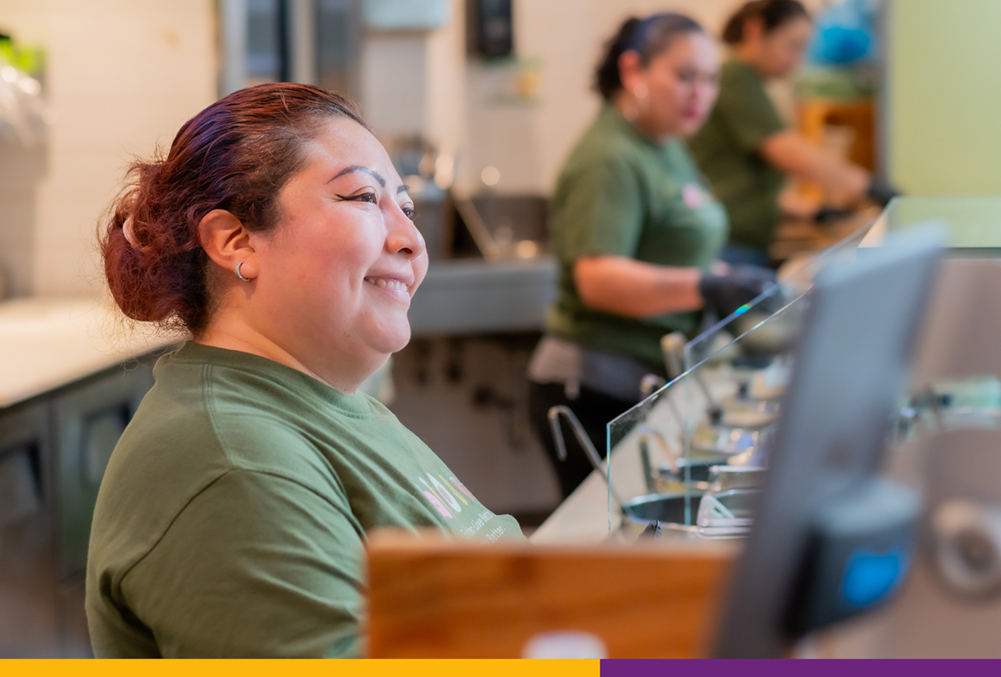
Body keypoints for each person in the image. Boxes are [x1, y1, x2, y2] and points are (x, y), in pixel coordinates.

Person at [87, 83, 523, 658]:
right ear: (235, 240)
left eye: (407, 207)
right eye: (365, 198)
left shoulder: (333, 405)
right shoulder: (232, 463)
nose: (412, 239)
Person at [528, 14, 776, 502]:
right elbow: (598, 278)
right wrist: (705, 287)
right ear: (632, 70)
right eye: (684, 77)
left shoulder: (665, 146)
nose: (699, 95)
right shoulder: (609, 158)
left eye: (710, 80)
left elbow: (678, 246)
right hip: (593, 388)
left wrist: (733, 280)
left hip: (645, 379)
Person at [690, 0, 890, 267]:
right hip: (730, 247)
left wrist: (812, 212)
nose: (796, 61)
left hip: (742, 242)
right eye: (792, 45)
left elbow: (740, 183)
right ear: (755, 30)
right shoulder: (735, 77)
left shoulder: (746, 82)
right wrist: (870, 187)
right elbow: (789, 152)